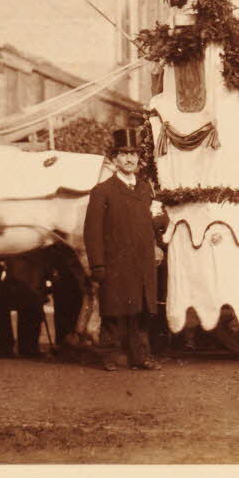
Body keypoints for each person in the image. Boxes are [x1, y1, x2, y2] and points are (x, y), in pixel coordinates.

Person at [85, 127, 162, 371]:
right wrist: (97, 264)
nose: (129, 159)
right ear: (115, 159)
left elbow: (154, 222)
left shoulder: (144, 189)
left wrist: (159, 225)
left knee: (141, 311)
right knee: (114, 312)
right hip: (116, 263)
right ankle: (108, 356)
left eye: (133, 154)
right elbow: (92, 231)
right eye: (124, 154)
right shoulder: (103, 191)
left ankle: (140, 356)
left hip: (142, 262)